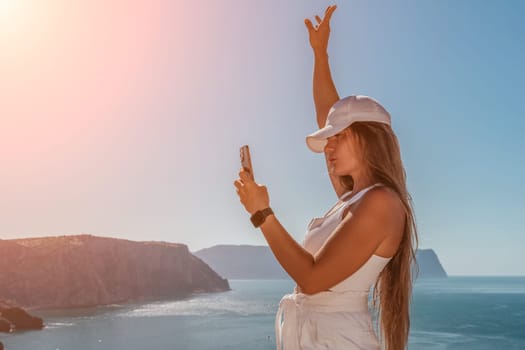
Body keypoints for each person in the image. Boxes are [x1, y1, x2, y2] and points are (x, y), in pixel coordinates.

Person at [234, 4, 418, 350]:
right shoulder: (352, 198)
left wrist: (262, 214)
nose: (328, 147)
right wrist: (320, 54)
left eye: (339, 137)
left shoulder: (382, 202)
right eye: (327, 139)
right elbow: (327, 112)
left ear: (368, 139)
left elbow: (312, 278)